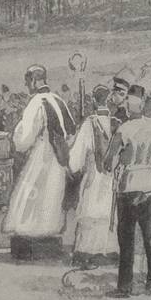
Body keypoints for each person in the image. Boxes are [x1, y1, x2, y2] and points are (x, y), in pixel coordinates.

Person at [4, 65, 76, 257]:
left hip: (42, 156)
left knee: (30, 197)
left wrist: (17, 138)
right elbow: (71, 131)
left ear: (35, 81)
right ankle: (49, 239)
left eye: (27, 81)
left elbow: (24, 139)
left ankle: (31, 244)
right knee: (51, 198)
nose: (26, 85)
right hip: (59, 159)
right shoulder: (58, 100)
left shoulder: (36, 102)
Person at [103, 84, 151, 296]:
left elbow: (108, 162)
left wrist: (115, 161)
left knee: (126, 240)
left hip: (129, 185)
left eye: (127, 100)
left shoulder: (123, 129)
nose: (125, 103)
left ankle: (124, 287)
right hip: (150, 184)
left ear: (133, 104)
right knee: (150, 236)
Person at [66, 84, 118, 259]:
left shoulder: (90, 124)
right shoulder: (115, 123)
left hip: (93, 175)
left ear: (95, 100)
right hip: (111, 178)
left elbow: (76, 158)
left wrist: (72, 166)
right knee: (108, 211)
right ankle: (110, 250)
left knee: (90, 210)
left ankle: (87, 251)